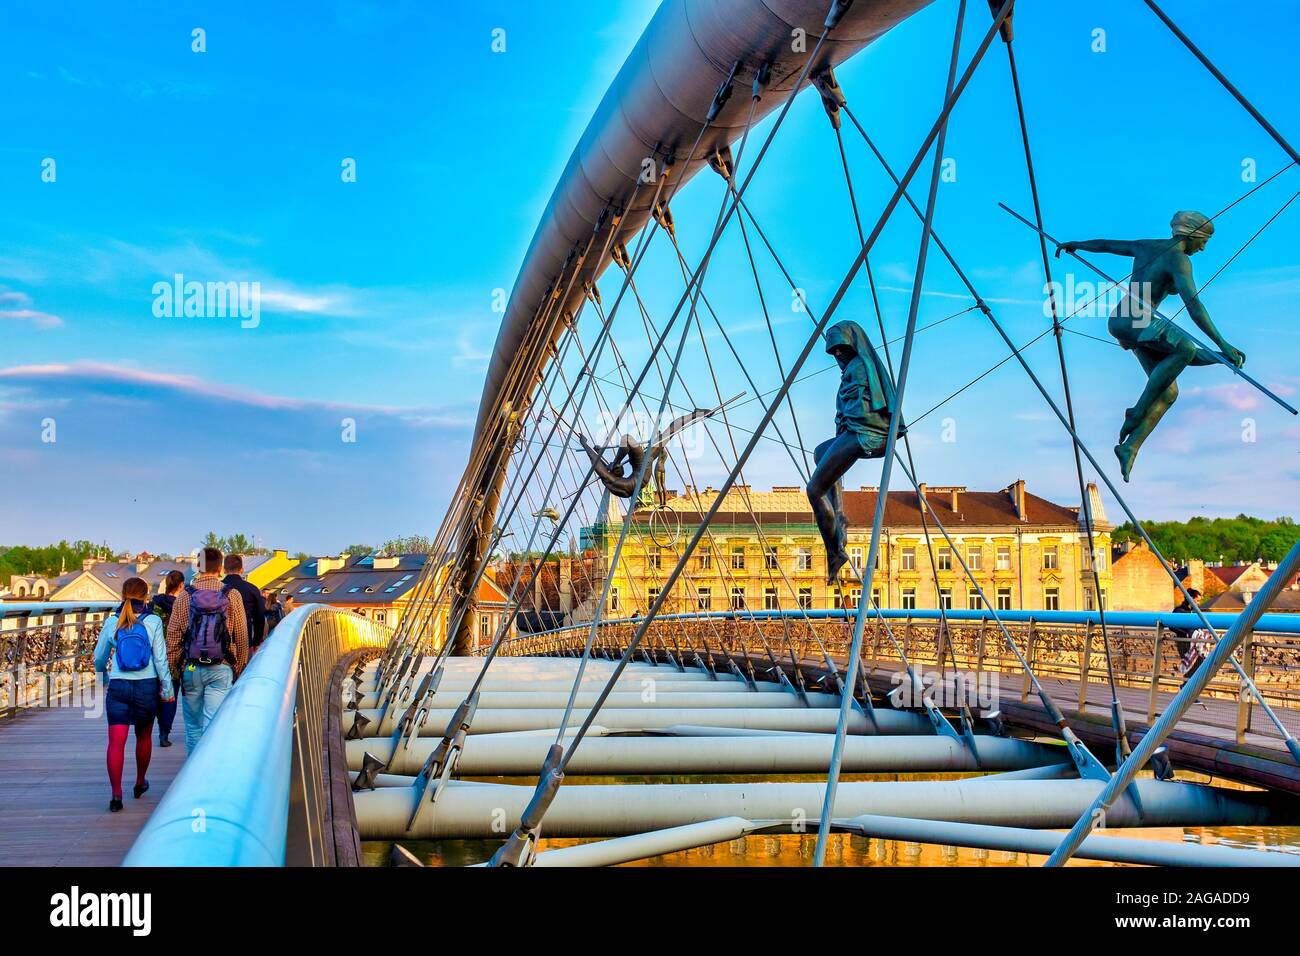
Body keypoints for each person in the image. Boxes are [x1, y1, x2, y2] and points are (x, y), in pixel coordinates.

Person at [1056, 211, 1246, 482]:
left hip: (1128, 322)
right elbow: (1194, 306)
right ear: (1193, 235)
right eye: (1203, 241)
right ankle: (1136, 412)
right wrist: (1223, 345)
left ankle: (1129, 447)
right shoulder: (1179, 260)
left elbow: (1107, 245)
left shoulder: (1146, 245)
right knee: (1186, 348)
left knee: (1168, 392)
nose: (1203, 248)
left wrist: (1076, 244)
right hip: (1137, 321)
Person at [807, 320, 899, 584]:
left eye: (840, 349)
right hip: (857, 431)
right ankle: (839, 517)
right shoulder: (857, 367)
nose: (837, 355)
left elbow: (858, 412)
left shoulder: (858, 368)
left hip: (865, 433)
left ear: (852, 345)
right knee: (820, 453)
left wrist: (846, 428)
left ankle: (834, 552)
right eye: (833, 351)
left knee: (813, 490)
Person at [93, 576, 175, 812]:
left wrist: (103, 679)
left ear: (122, 595)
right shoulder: (153, 621)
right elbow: (160, 659)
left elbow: (99, 657)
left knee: (116, 743)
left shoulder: (112, 621)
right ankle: (140, 782)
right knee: (144, 736)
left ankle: (116, 794)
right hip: (146, 686)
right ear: (146, 597)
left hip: (118, 686)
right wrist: (167, 689)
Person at [166, 547, 248, 752]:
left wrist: (175, 670)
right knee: (215, 726)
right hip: (222, 666)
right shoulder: (232, 595)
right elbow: (242, 635)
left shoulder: (184, 596)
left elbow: (173, 637)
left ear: (198, 567)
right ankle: (211, 776)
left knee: (193, 728)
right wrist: (239, 667)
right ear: (220, 568)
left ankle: (192, 775)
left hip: (191, 668)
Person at [150, 569, 186, 747]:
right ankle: (164, 732)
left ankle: (156, 722)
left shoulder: (153, 604)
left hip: (153, 655)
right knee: (171, 693)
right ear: (181, 585)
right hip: (174, 657)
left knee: (155, 692)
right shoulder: (182, 606)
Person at [222, 554, 266, 651]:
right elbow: (259, 618)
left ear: (224, 570)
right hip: (244, 640)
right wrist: (256, 641)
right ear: (241, 570)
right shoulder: (252, 589)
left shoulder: (216, 588)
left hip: (218, 641)